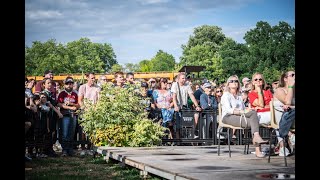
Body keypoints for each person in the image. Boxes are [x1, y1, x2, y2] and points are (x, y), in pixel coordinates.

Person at [220, 75, 268, 158]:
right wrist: (242, 111)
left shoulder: (239, 96)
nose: (234, 82)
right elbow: (229, 110)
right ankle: (257, 149)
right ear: (228, 84)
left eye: (236, 81)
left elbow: (243, 109)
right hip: (228, 117)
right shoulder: (226, 95)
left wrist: (251, 109)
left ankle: (256, 138)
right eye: (231, 81)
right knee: (255, 123)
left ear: (238, 84)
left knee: (253, 113)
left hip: (239, 115)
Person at [57, 77, 80, 156]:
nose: (69, 85)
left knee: (72, 132)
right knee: (65, 132)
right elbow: (59, 104)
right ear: (65, 85)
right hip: (65, 115)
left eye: (71, 84)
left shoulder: (75, 93)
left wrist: (72, 104)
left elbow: (78, 104)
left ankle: (70, 149)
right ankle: (64, 150)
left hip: (73, 115)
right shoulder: (62, 93)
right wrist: (70, 107)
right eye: (67, 84)